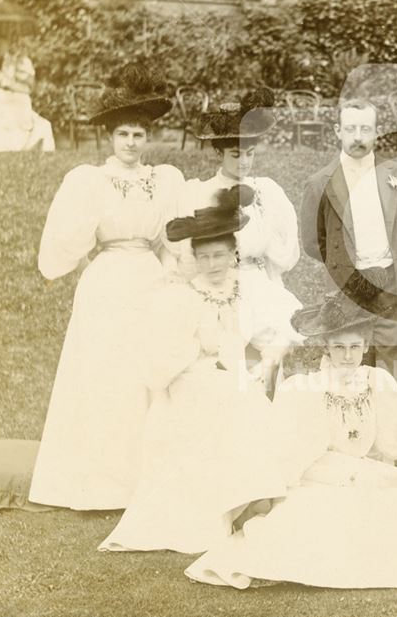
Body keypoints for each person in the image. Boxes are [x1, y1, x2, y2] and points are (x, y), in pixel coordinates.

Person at [184, 282, 397, 590]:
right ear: (326, 347)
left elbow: (395, 444)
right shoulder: (306, 387)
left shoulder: (378, 380)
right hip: (321, 478)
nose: (348, 356)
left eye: (354, 347)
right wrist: (347, 474)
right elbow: (295, 459)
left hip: (366, 471)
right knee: (328, 513)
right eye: (339, 348)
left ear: (365, 346)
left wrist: (380, 465)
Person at [29, 64, 185, 510]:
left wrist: (174, 277)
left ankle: (143, 478)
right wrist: (57, 265)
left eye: (138, 134)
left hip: (150, 279)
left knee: (146, 375)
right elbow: (70, 235)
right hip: (108, 280)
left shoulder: (164, 179)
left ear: (147, 137)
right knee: (104, 374)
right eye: (123, 135)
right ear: (110, 138)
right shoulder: (89, 181)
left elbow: (173, 237)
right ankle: (95, 480)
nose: (132, 144)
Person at [99, 186, 287, 554]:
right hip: (190, 380)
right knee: (231, 399)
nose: (213, 265)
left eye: (220, 255)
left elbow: (275, 335)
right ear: (194, 260)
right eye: (204, 258)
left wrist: (265, 364)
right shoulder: (182, 297)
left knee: (247, 398)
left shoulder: (248, 291)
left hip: (235, 378)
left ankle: (251, 496)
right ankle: (236, 502)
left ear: (235, 255)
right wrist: (202, 350)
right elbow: (161, 365)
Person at [299, 99, 397, 408]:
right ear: (338, 131)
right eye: (351, 129)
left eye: (365, 129)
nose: (358, 137)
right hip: (349, 289)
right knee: (352, 366)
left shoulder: (396, 175)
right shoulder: (320, 183)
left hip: (393, 287)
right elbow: (312, 242)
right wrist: (343, 264)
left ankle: (396, 442)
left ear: (377, 132)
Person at [182, 90, 302, 394]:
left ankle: (266, 415)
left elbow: (287, 250)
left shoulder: (265, 191)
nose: (244, 162)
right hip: (221, 283)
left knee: (271, 353)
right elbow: (192, 251)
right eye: (236, 155)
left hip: (258, 280)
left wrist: (261, 249)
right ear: (221, 153)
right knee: (227, 363)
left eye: (250, 154)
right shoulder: (203, 192)